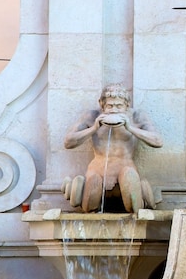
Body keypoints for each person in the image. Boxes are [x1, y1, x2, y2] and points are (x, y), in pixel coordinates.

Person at [64, 84, 163, 213]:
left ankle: (142, 194)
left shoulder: (136, 116)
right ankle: (83, 192)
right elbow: (68, 142)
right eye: (110, 106)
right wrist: (93, 128)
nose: (114, 110)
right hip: (98, 171)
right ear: (102, 104)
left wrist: (130, 128)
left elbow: (158, 141)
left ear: (127, 105)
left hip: (125, 169)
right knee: (90, 205)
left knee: (132, 203)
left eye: (119, 106)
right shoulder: (92, 116)